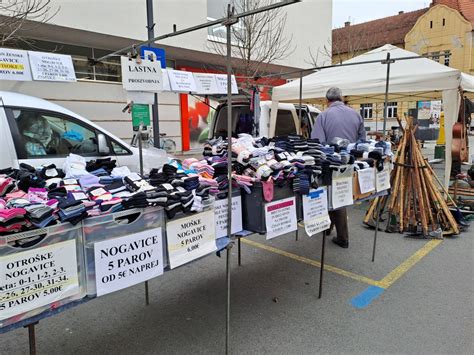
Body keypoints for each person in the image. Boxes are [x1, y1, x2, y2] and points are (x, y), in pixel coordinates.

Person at [311, 87, 366, 248]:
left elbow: (317, 142)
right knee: (338, 195)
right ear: (341, 98)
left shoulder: (324, 115)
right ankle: (328, 228)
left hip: (331, 163)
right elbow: (363, 141)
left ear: (327, 100)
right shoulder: (356, 114)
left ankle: (343, 237)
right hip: (351, 162)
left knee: (335, 197)